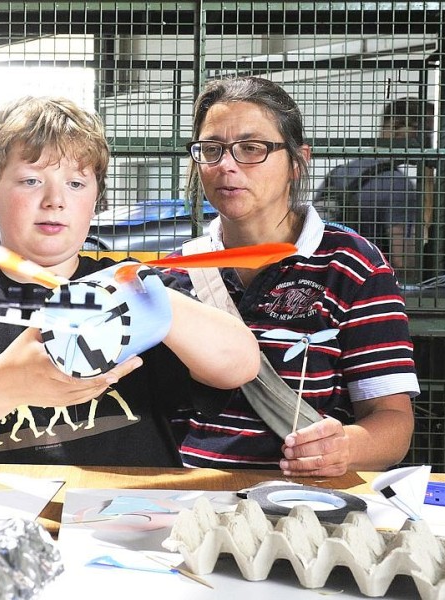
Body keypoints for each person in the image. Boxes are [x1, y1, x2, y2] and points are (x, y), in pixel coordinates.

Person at [0, 96, 260, 466]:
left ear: (97, 198)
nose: (55, 200)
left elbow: (240, 364)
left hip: (130, 516)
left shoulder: (135, 284)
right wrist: (7, 382)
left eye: (76, 184)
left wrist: (151, 299)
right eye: (31, 180)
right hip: (2, 516)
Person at [178, 77, 418, 477]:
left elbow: (392, 419)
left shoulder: (352, 265)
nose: (227, 165)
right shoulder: (175, 276)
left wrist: (344, 446)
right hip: (186, 497)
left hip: (302, 500)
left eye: (252, 148)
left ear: (297, 161)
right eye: (211, 149)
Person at [314, 98, 435, 284]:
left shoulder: (339, 172)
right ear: (399, 127)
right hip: (368, 286)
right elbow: (402, 258)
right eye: (427, 133)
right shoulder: (399, 185)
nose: (430, 143)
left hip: (323, 280)